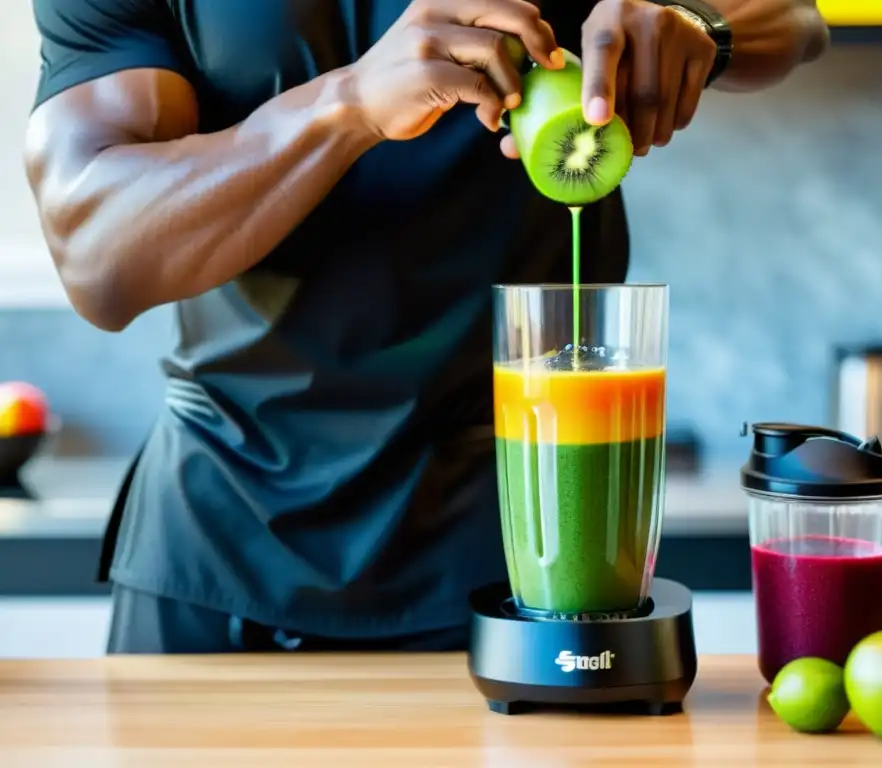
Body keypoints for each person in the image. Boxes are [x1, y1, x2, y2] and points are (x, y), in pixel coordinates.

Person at [24, 0, 828, 654]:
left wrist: (698, 27)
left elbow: (792, 15)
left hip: (529, 558)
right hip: (218, 553)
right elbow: (99, 257)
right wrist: (352, 104)